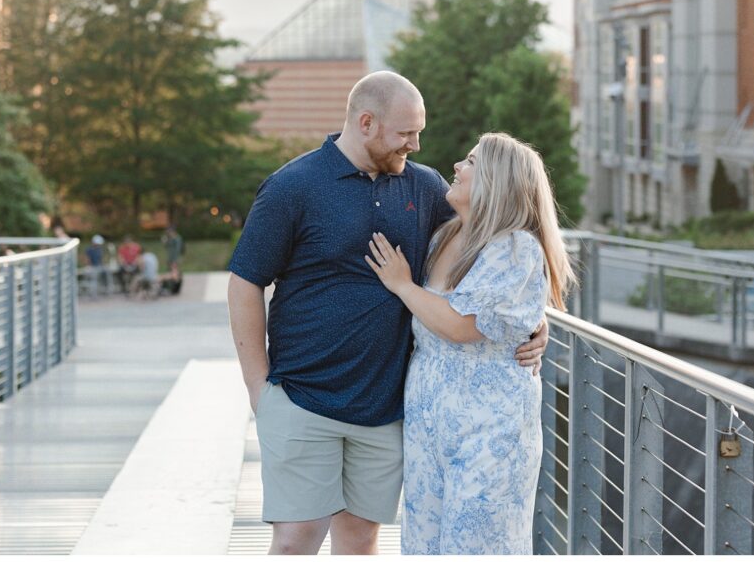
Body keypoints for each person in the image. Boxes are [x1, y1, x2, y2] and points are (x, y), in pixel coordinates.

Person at [227, 71, 548, 555]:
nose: (416, 144)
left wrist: (535, 324)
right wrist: (258, 387)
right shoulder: (293, 186)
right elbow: (245, 282)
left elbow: (486, 262)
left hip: (388, 408)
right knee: (297, 538)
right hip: (301, 395)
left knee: (360, 540)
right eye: (405, 133)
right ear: (366, 122)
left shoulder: (427, 188)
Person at [365, 132, 575, 554]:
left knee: (476, 546)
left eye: (471, 162)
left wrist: (402, 285)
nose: (457, 168)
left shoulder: (515, 247)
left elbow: (463, 324)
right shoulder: (445, 237)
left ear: (498, 181)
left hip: (489, 431)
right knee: (425, 545)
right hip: (430, 426)